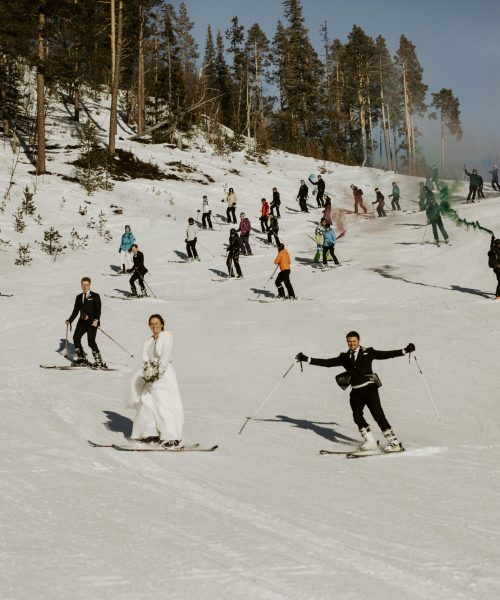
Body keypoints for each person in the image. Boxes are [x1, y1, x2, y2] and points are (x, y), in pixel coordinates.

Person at [295, 332, 415, 453]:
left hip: (370, 389)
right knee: (357, 416)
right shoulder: (344, 357)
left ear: (358, 340)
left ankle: (394, 442)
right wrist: (307, 359)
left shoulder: (368, 352)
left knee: (378, 415)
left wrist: (405, 351)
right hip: (356, 392)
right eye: (349, 341)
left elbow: (386, 354)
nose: (352, 343)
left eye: (354, 341)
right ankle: (370, 441)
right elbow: (327, 363)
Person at [129, 314, 184, 447]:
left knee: (163, 404)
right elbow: (145, 359)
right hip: (151, 375)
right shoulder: (148, 342)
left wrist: (159, 371)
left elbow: (165, 355)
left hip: (164, 375)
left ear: (162, 324)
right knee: (146, 402)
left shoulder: (167, 337)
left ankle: (171, 436)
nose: (154, 326)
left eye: (156, 323)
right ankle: (149, 433)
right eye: (151, 324)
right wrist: (148, 372)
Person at [66, 277, 105, 367]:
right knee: (76, 338)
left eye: (86, 285)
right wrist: (70, 320)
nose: (85, 286)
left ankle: (99, 361)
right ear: (81, 285)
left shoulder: (95, 296)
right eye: (83, 285)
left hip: (92, 322)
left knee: (91, 341)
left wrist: (96, 320)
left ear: (90, 285)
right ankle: (81, 358)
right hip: (82, 322)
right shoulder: (79, 297)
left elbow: (98, 310)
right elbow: (76, 310)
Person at [487, 235, 500, 299]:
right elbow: (491, 247)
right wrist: (492, 240)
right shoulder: (494, 250)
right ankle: (498, 295)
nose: (499, 245)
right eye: (498, 244)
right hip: (497, 268)